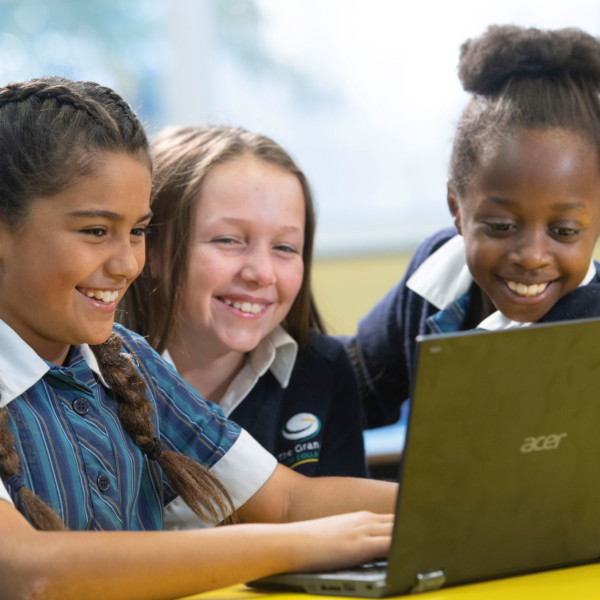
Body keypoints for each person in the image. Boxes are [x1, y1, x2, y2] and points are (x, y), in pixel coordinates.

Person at [0, 76, 397, 600]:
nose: (126, 265)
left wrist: (479, 503)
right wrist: (299, 545)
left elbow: (288, 502)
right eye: (96, 231)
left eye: (137, 231)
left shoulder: (127, 364)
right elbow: (29, 570)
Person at [348, 25, 600, 430]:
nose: (533, 256)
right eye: (501, 225)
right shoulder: (435, 272)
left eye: (565, 231)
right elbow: (353, 387)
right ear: (456, 208)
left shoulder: (592, 327)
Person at [118, 125, 367, 492]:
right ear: (150, 249)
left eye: (284, 248)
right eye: (228, 240)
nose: (261, 273)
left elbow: (348, 528)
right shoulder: (89, 377)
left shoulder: (322, 370)